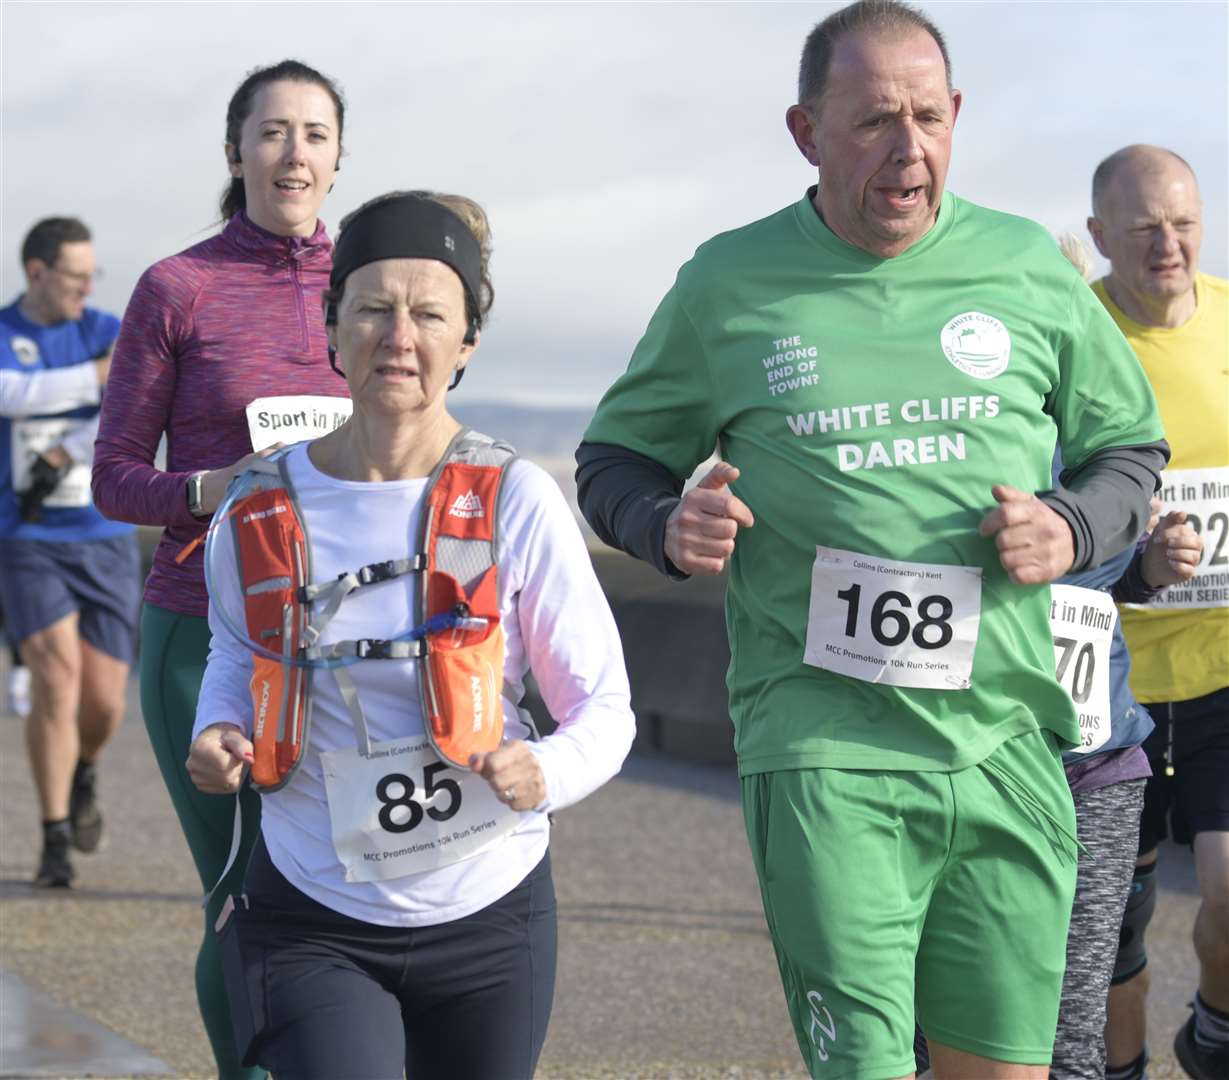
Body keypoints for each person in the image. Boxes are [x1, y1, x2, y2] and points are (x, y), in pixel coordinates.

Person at [576, 3, 1169, 1077]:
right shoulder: (728, 281)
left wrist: (1070, 524)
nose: (907, 150)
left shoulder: (1025, 270)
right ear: (805, 132)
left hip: (1004, 743)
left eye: (928, 118)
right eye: (871, 124)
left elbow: (1128, 451)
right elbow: (612, 461)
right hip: (822, 744)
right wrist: (667, 526)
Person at [186, 190, 635, 1080]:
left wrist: (546, 769)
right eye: (374, 309)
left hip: (490, 908)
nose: (400, 335)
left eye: (430, 314)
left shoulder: (514, 498)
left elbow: (606, 709)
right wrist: (218, 726)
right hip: (312, 905)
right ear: (332, 327)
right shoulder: (257, 505)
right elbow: (236, 649)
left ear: (466, 342)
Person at [92, 60, 350, 1080]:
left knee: (349, 891)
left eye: (315, 133)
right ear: (235, 150)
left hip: (348, 631)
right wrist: (216, 489)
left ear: (337, 157)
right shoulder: (178, 287)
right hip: (206, 629)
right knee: (244, 894)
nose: (294, 152)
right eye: (273, 131)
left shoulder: (370, 284)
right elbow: (115, 479)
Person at [1087, 145, 1229, 1080]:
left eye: (1180, 223)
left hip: (1222, 673)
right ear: (1100, 237)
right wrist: (1129, 559)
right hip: (1105, 685)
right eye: (1141, 229)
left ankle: (1214, 1033)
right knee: (1109, 950)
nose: (1165, 245)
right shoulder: (1072, 334)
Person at [0, 216, 139, 888]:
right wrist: (93, 380)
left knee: (104, 702)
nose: (88, 288)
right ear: (37, 273)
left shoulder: (108, 329)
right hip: (27, 536)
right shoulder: (7, 334)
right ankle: (54, 838)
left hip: (105, 532)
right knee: (55, 679)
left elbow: (136, 404)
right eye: (76, 276)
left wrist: (68, 447)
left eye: (93, 277)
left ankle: (83, 772)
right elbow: (9, 393)